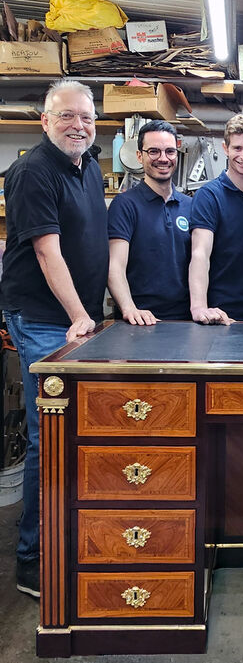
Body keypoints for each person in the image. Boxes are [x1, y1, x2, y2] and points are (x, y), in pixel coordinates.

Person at [0, 79, 109, 597]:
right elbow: (47, 252)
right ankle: (33, 558)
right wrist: (81, 315)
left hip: (78, 320)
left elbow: (92, 243)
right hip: (45, 319)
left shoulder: (88, 167)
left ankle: (68, 536)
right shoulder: (31, 172)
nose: (78, 125)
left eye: (86, 117)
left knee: (76, 432)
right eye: (66, 116)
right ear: (44, 121)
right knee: (50, 434)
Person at [188, 114, 243, 324]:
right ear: (225, 149)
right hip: (220, 313)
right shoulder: (209, 196)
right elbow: (200, 253)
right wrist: (199, 307)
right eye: (237, 148)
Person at [108, 120, 192, 323]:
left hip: (186, 320)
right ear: (140, 156)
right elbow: (114, 266)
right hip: (140, 321)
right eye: (154, 151)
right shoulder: (124, 205)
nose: (163, 158)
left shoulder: (191, 205)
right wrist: (129, 309)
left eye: (170, 151)